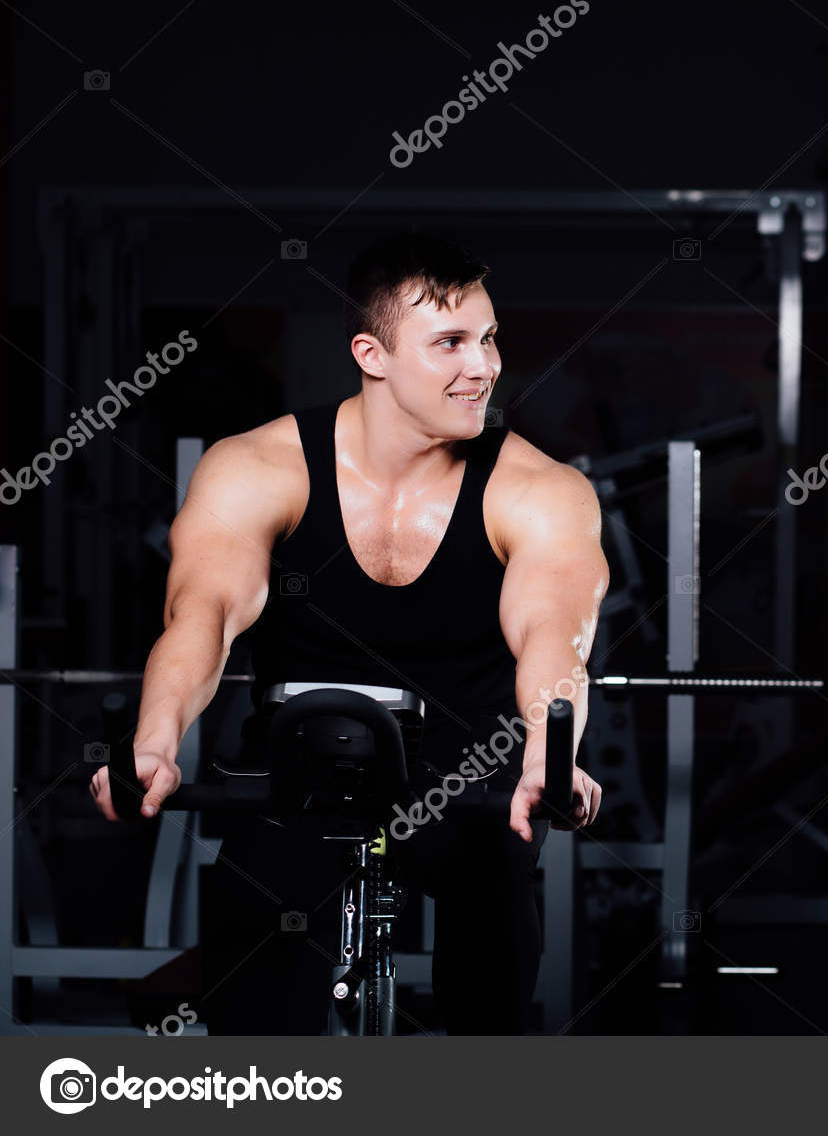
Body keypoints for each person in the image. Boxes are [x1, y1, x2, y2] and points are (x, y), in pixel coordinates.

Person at [87, 233, 609, 1034]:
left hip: (465, 792)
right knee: (256, 945)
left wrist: (550, 745)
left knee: (498, 923)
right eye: (451, 343)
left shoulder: (539, 488)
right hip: (301, 780)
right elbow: (204, 614)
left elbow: (554, 625)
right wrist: (154, 739)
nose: (485, 365)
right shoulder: (257, 467)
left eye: (490, 337)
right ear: (372, 352)